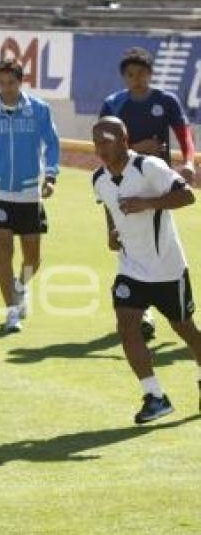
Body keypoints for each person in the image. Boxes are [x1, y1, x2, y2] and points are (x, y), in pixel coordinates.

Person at [91, 116, 201, 423]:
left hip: (167, 268)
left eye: (107, 142)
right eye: (97, 142)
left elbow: (188, 196)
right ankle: (155, 396)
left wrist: (147, 203)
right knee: (127, 326)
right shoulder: (99, 179)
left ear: (124, 141)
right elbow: (111, 210)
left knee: (186, 330)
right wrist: (112, 234)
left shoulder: (148, 167)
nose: (100, 148)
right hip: (131, 269)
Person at [100, 47, 197, 341]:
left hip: (159, 186)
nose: (136, 79)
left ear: (150, 73)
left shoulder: (165, 101)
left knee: (159, 240)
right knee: (127, 239)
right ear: (123, 76)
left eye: (141, 73)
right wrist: (139, 148)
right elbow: (105, 146)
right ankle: (141, 309)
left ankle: (160, 302)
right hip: (123, 182)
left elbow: (185, 136)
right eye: (130, 74)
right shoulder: (113, 104)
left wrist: (189, 163)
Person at [0, 57, 60, 332]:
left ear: (21, 81)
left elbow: (52, 145)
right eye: (1, 83)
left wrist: (51, 176)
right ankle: (11, 311)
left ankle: (20, 286)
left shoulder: (39, 110)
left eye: (11, 82)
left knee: (33, 258)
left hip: (30, 190)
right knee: (3, 249)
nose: (6, 88)